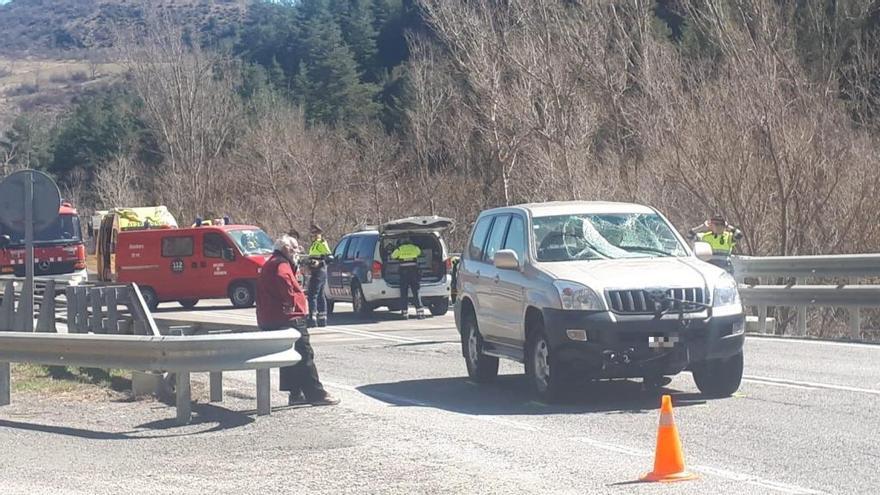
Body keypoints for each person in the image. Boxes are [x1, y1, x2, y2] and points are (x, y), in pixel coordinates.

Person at [256, 234, 339, 407]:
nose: (297, 252)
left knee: (290, 356)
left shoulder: (273, 262)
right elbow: (283, 280)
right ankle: (316, 393)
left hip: (273, 317)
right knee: (304, 354)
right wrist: (290, 301)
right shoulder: (281, 264)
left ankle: (296, 393)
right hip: (288, 318)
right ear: (286, 249)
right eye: (294, 249)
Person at [391, 238, 424, 319]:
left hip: (404, 273)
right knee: (416, 292)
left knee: (404, 293)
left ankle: (405, 313)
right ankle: (420, 313)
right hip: (414, 272)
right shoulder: (414, 248)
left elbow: (393, 256)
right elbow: (420, 253)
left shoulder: (399, 249)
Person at [307, 224, 332, 328]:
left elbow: (330, 258)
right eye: (312, 233)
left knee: (312, 294)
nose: (313, 235)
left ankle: (312, 318)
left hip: (320, 271)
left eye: (315, 233)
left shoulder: (321, 243)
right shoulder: (314, 244)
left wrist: (319, 263)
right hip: (315, 271)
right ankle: (322, 319)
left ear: (319, 233)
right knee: (320, 295)